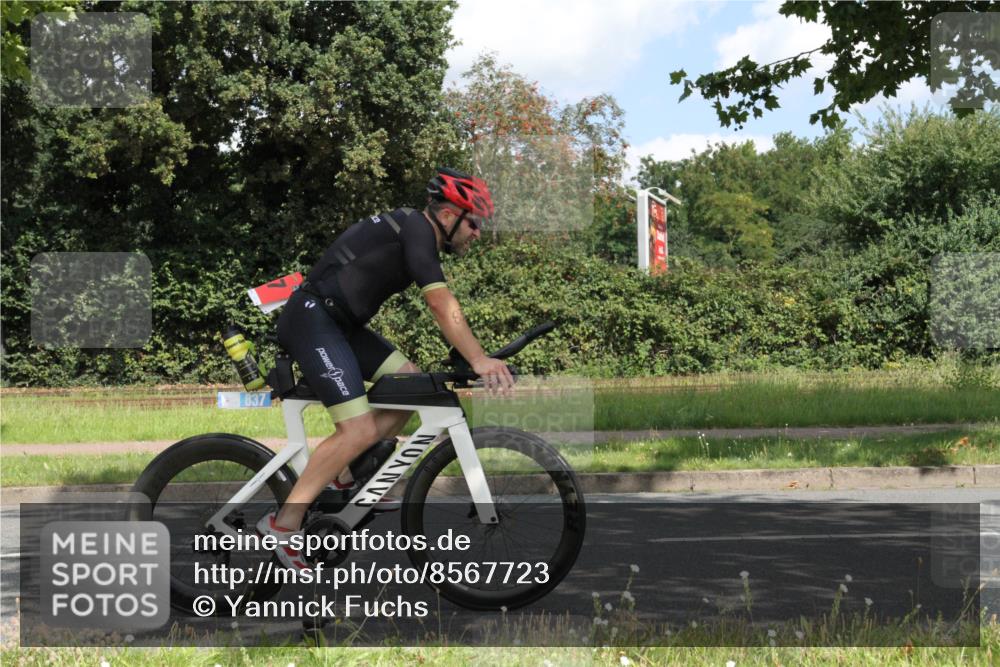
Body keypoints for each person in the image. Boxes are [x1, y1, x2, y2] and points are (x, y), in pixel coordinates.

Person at [256, 167, 514, 569]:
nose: (477, 233)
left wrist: (472, 353)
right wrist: (479, 359)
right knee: (356, 429)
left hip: (338, 324)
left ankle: (342, 478)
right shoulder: (418, 230)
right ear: (449, 215)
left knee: (410, 385)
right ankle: (283, 525)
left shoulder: (416, 232)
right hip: (312, 319)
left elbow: (443, 306)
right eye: (474, 223)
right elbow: (440, 304)